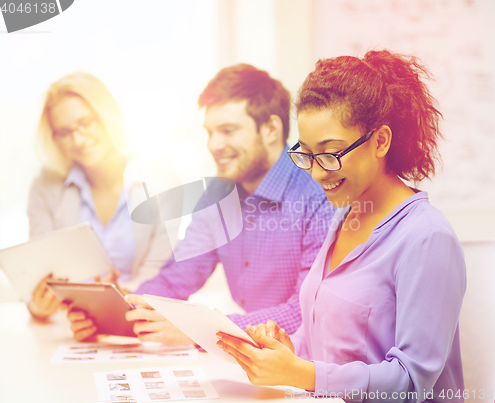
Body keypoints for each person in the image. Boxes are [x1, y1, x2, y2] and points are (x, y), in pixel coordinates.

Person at [216, 50, 466, 402]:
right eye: (306, 153)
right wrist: (290, 350)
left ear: (380, 141)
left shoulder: (427, 238)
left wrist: (302, 373)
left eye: (331, 153)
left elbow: (412, 382)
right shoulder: (344, 215)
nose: (317, 173)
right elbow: (325, 339)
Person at [68, 64, 335, 343]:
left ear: (270, 129)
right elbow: (177, 277)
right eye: (209, 132)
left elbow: (305, 313)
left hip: (308, 361)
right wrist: (118, 312)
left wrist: (198, 330)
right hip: (257, 359)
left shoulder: (320, 197)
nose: (214, 144)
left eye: (228, 130)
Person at [27, 72, 175, 320]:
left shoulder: (161, 177)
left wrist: (117, 301)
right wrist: (38, 308)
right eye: (64, 132)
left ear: (107, 116)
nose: (78, 139)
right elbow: (39, 271)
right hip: (70, 323)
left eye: (86, 122)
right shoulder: (45, 185)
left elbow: (160, 269)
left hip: (139, 316)